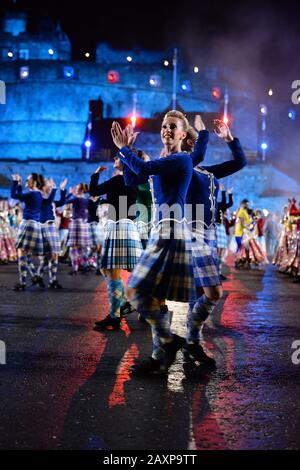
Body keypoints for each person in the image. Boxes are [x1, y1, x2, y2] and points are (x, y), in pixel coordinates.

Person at [111, 111, 213, 375]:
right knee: (152, 296)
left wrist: (124, 149)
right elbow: (133, 178)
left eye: (173, 127)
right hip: (162, 230)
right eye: (165, 126)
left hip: (171, 229)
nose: (167, 130)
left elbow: (143, 169)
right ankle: (160, 355)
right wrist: (128, 150)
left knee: (134, 291)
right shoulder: (165, 160)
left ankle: (169, 341)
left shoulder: (180, 159)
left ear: (182, 134)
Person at [89, 158, 143, 330]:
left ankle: (117, 313)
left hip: (118, 225)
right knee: (130, 270)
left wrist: (96, 174)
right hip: (130, 226)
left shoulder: (117, 180)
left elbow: (94, 190)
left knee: (110, 270)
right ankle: (129, 305)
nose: (114, 159)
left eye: (118, 157)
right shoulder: (134, 180)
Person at [10, 173, 45, 291]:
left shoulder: (31, 194)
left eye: (28, 180)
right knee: (26, 254)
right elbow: (20, 196)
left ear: (34, 182)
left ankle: (22, 282)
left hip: (27, 224)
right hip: (35, 225)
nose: (26, 181)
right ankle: (35, 276)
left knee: (21, 252)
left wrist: (15, 181)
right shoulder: (38, 194)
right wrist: (19, 185)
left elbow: (14, 195)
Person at [35, 177, 67, 289]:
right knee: (48, 256)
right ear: (43, 187)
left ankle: (49, 279)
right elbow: (47, 202)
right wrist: (54, 189)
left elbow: (61, 202)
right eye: (48, 184)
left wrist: (62, 190)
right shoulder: (38, 196)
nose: (50, 185)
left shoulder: (50, 199)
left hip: (51, 227)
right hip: (44, 226)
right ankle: (40, 277)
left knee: (53, 255)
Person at [66, 184, 91, 275]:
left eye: (76, 188)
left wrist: (70, 193)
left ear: (80, 190)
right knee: (81, 247)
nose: (75, 189)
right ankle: (85, 265)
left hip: (76, 223)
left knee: (73, 247)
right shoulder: (86, 200)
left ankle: (75, 268)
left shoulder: (76, 199)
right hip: (84, 223)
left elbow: (65, 201)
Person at [215, 184, 234, 280]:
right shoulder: (211, 204)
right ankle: (215, 272)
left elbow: (229, 203)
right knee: (217, 250)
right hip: (215, 227)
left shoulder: (219, 205)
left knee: (221, 251)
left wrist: (228, 193)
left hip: (221, 227)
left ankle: (218, 272)